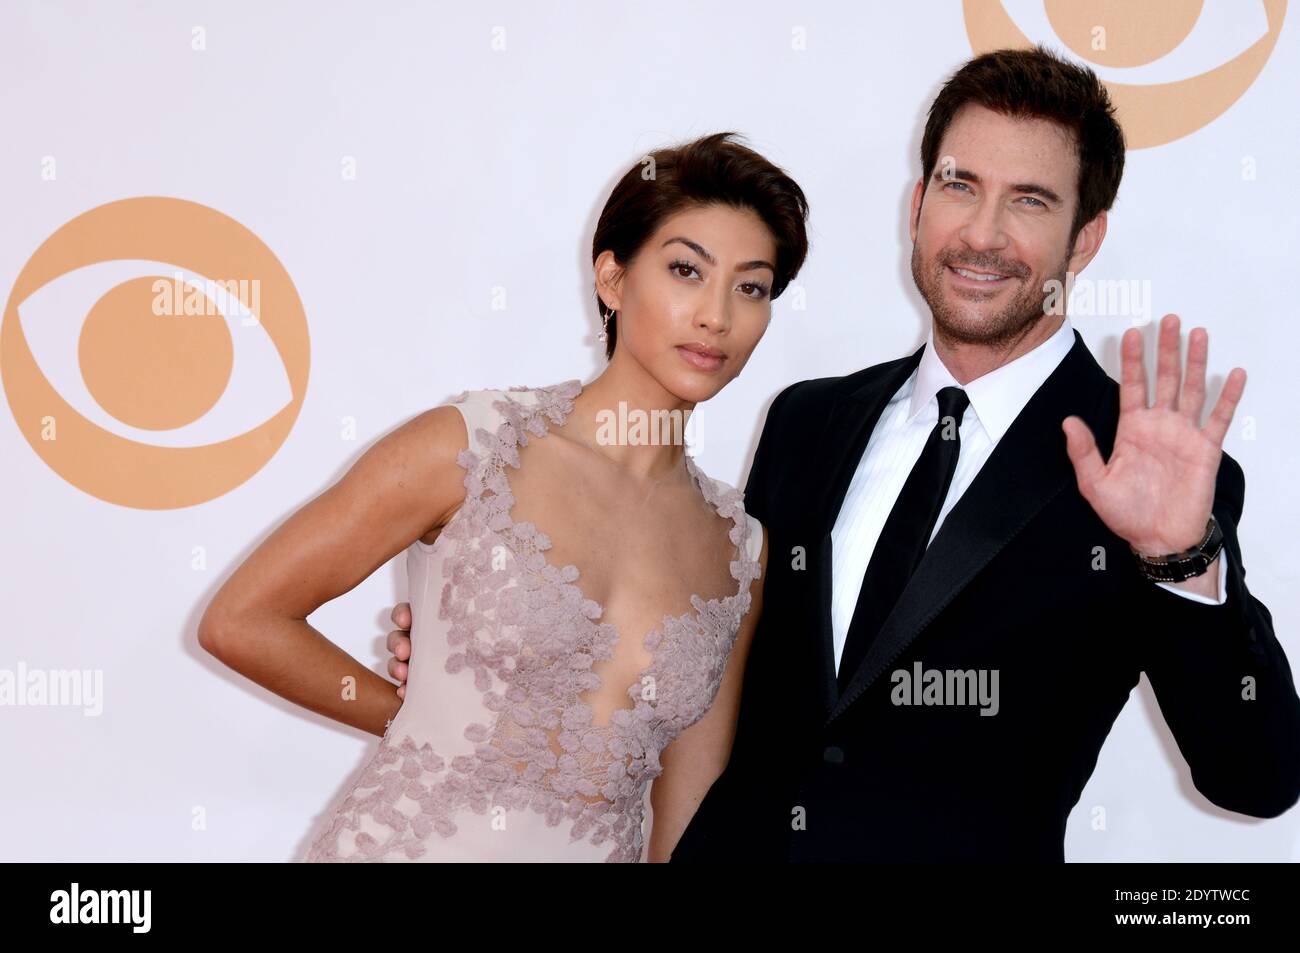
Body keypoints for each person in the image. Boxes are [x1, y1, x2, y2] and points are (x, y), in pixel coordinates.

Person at [386, 48, 1300, 862]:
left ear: (1085, 238)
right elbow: (714, 664)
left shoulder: (1148, 471)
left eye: (1030, 201)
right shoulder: (808, 422)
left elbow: (1257, 777)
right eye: (959, 184)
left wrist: (1181, 560)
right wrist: (509, 652)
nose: (982, 233)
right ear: (916, 203)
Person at [197, 132, 809, 861]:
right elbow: (241, 619)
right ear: (613, 279)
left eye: (752, 286)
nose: (717, 315)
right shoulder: (471, 447)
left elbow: (687, 809)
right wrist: (416, 720)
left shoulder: (739, 549)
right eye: (686, 270)